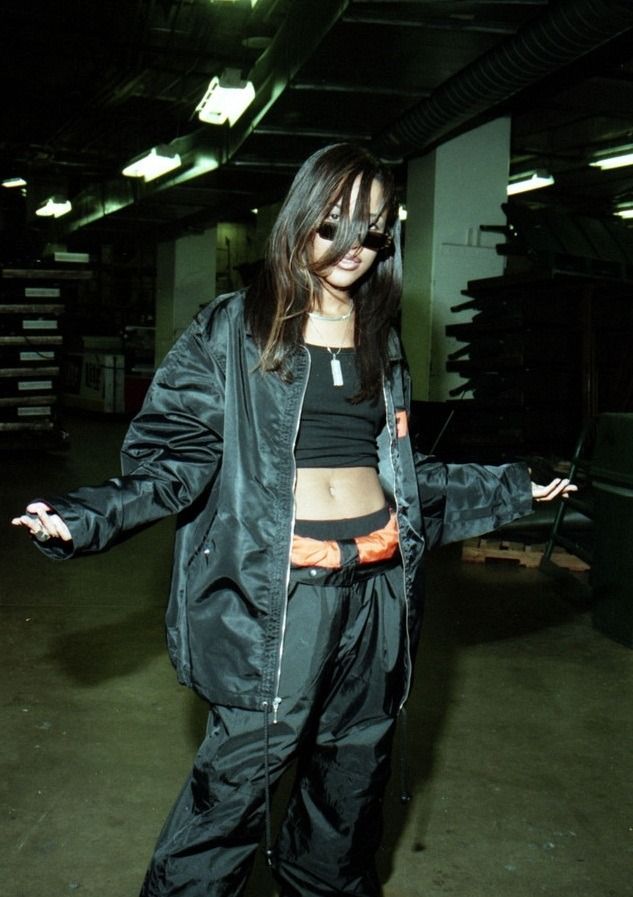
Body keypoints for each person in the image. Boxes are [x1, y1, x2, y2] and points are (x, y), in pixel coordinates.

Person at [12, 143, 574, 897]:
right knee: (231, 793)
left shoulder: (383, 337)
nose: (352, 247)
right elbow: (174, 460)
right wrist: (83, 518)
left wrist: (510, 488)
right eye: (334, 225)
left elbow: (403, 482)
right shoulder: (233, 330)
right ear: (300, 219)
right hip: (280, 600)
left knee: (348, 793)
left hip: (375, 595)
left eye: (373, 230)